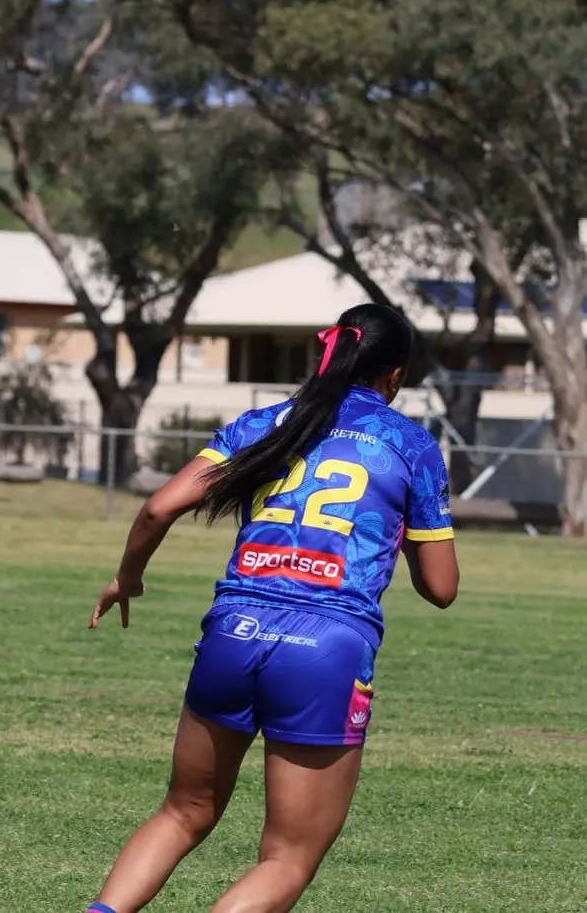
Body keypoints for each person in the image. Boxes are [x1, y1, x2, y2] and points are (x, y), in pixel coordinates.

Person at [84, 303, 460, 913]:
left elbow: (158, 508)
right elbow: (440, 587)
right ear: (395, 376)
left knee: (183, 813)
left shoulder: (264, 421)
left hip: (234, 630)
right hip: (326, 647)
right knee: (287, 858)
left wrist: (128, 577)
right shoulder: (409, 443)